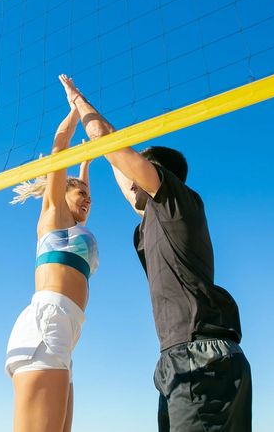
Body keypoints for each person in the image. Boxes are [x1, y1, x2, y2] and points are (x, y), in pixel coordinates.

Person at [59, 75, 251, 431]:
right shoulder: (154, 216)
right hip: (180, 358)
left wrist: (79, 102)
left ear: (158, 175)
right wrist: (98, 145)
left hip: (201, 357)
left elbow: (113, 145)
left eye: (138, 173)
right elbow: (119, 166)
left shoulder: (177, 201)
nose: (130, 181)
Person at [5, 74, 98, 432]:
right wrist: (75, 108)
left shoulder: (77, 227)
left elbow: (82, 180)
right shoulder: (55, 215)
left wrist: (88, 163)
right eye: (81, 196)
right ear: (63, 196)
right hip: (47, 322)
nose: (88, 201)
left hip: (67, 329)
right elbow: (60, 150)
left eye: (89, 197)